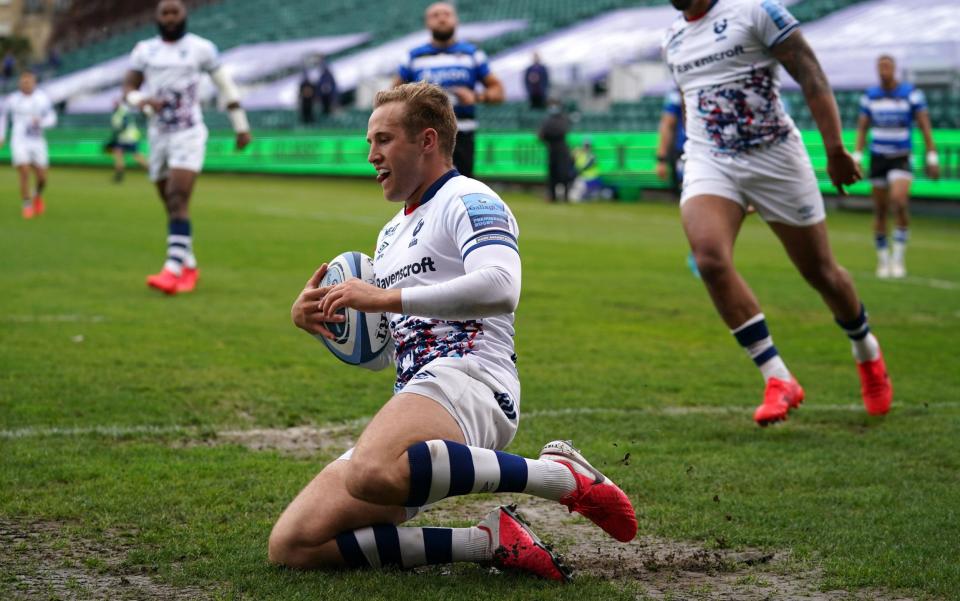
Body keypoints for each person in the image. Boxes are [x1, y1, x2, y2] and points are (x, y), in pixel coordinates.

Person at [268, 82, 637, 580]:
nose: (371, 155)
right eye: (369, 143)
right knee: (294, 544)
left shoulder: (469, 198)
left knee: (371, 470)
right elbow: (385, 349)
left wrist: (383, 297)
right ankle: (485, 542)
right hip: (421, 393)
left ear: (426, 140)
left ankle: (558, 477)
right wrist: (318, 323)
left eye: (383, 140)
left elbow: (502, 286)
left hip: (474, 380)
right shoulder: (391, 233)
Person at [663, 0, 892, 425]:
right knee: (710, 260)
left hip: (776, 160)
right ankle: (778, 377)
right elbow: (690, 101)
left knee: (820, 272)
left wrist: (836, 148)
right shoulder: (672, 38)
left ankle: (866, 351)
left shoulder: (755, 12)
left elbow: (809, 72)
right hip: (711, 158)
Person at [122, 0, 252, 295]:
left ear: (184, 15)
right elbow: (128, 88)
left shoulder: (201, 48)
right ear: (156, 18)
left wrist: (241, 126)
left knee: (177, 195)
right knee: (170, 203)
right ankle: (189, 264)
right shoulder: (144, 50)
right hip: (158, 135)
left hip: (188, 133)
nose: (169, 18)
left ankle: (171, 268)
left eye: (174, 12)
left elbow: (226, 87)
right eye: (163, 13)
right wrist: (141, 101)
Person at [395, 2, 504, 178]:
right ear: (427, 22)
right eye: (435, 15)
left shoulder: (472, 54)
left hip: (462, 133)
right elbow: (395, 95)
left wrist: (477, 96)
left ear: (456, 20)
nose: (441, 18)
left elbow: (498, 91)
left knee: (462, 189)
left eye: (446, 14)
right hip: (425, 135)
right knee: (424, 190)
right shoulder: (413, 57)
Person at [854, 55, 939, 279]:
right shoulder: (870, 96)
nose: (883, 71)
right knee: (880, 210)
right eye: (880, 67)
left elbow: (924, 124)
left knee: (899, 202)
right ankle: (883, 260)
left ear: (894, 69)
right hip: (878, 156)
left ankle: (898, 258)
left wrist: (932, 155)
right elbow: (862, 127)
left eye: (887, 67)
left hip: (901, 155)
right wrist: (857, 155)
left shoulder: (911, 94)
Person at [0, 71, 56, 219]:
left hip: (37, 140)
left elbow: (52, 118)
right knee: (24, 171)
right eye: (23, 82)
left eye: (29, 82)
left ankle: (36, 195)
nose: (26, 84)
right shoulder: (12, 99)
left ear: (34, 83)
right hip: (19, 140)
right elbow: (3, 117)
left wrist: (41, 122)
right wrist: (1, 136)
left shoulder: (42, 98)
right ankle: (26, 204)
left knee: (42, 178)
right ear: (19, 83)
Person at [538, 101, 573, 202]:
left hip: (561, 151)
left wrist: (548, 134)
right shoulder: (548, 120)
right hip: (553, 150)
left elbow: (552, 132)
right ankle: (553, 197)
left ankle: (565, 197)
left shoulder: (562, 119)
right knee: (552, 175)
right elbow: (541, 135)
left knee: (563, 175)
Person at [106, 100, 148, 182]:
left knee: (136, 156)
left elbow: (123, 126)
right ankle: (119, 176)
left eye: (115, 103)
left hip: (127, 138)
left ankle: (152, 171)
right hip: (124, 138)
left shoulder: (122, 113)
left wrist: (113, 138)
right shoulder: (119, 113)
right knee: (119, 155)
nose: (114, 105)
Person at [655, 89, 687, 195]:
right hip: (685, 150)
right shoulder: (675, 96)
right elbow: (667, 125)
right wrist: (662, 159)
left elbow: (666, 125)